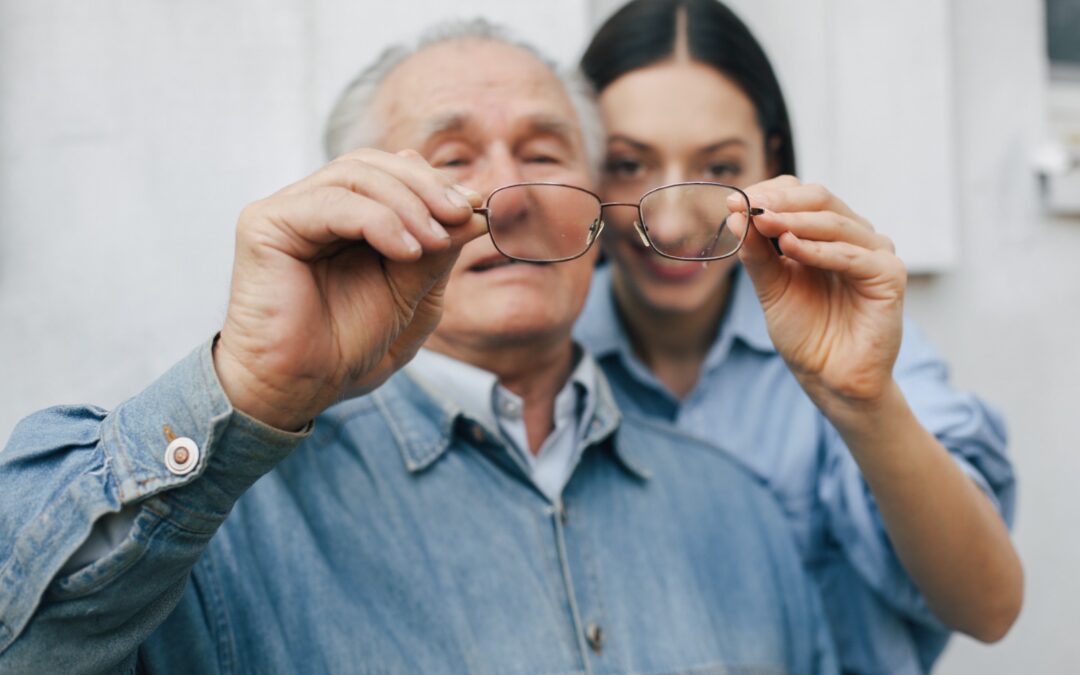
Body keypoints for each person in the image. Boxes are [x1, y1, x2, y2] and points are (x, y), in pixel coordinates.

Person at [0, 21, 837, 673]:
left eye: (544, 154)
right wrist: (245, 389)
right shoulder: (215, 525)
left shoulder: (744, 514)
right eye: (451, 157)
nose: (501, 201)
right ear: (357, 201)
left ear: (601, 217)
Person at [573, 1, 1023, 673]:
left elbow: (987, 605)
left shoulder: (849, 338)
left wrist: (864, 402)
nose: (668, 222)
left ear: (771, 161)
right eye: (629, 164)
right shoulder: (545, 355)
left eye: (719, 168)